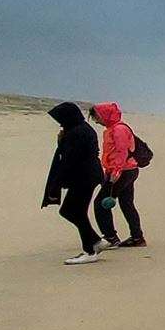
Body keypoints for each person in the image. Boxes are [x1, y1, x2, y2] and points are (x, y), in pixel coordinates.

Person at [41, 101, 105, 264]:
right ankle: (96, 242)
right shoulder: (82, 128)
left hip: (84, 178)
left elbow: (69, 160)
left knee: (71, 211)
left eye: (61, 119)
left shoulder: (76, 133)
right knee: (75, 211)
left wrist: (57, 183)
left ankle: (90, 251)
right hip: (89, 176)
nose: (60, 123)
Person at [89, 102, 146, 249]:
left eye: (97, 117)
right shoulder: (113, 129)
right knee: (126, 203)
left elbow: (122, 152)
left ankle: (110, 237)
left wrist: (116, 172)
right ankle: (137, 237)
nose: (96, 121)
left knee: (100, 203)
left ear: (105, 115)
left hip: (123, 172)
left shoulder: (119, 129)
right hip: (127, 170)